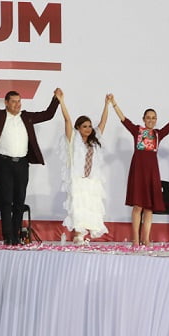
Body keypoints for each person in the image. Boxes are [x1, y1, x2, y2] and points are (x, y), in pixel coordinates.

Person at [0, 88, 61, 244]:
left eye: (19, 101)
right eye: (14, 102)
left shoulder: (27, 116)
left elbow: (47, 115)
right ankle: (7, 236)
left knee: (19, 201)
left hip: (22, 163)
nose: (17, 104)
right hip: (3, 162)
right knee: (6, 200)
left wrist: (55, 99)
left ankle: (16, 236)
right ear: (6, 103)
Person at [112, 94, 169, 246]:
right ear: (143, 118)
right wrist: (114, 103)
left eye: (153, 117)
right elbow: (124, 120)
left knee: (148, 208)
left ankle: (146, 239)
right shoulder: (137, 131)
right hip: (138, 172)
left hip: (152, 173)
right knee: (137, 207)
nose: (151, 120)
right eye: (148, 117)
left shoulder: (158, 134)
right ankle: (135, 240)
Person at [56, 90, 111, 243]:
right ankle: (78, 235)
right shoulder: (73, 140)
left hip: (92, 180)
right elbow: (67, 120)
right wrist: (61, 101)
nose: (88, 129)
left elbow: (103, 122)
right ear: (78, 128)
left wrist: (106, 104)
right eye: (84, 126)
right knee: (78, 207)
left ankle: (84, 235)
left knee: (91, 207)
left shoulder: (94, 141)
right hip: (78, 179)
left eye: (89, 126)